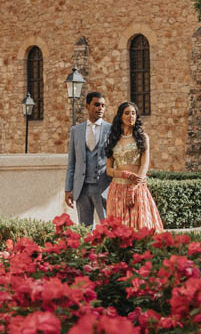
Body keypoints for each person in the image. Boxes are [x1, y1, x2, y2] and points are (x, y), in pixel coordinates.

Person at [104, 101, 164, 231]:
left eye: (133, 113)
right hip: (117, 190)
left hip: (137, 189)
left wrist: (133, 187)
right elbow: (108, 170)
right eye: (127, 113)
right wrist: (125, 174)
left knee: (141, 227)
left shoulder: (142, 138)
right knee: (118, 230)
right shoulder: (112, 140)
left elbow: (144, 166)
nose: (131, 116)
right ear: (120, 116)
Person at [64, 91, 112, 226]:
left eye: (103, 105)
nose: (100, 108)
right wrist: (68, 189)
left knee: (108, 227)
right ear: (87, 106)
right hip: (81, 188)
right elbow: (71, 163)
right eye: (96, 105)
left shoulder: (111, 129)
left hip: (103, 187)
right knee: (85, 229)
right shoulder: (76, 130)